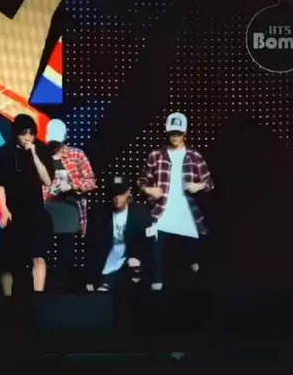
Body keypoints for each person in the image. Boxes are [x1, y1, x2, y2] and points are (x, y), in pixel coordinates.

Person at [137, 112, 214, 291]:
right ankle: (157, 282)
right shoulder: (156, 155)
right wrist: (148, 189)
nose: (175, 137)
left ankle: (198, 287)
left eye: (178, 133)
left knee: (193, 257)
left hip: (188, 211)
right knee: (156, 247)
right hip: (162, 209)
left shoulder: (194, 156)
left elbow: (210, 182)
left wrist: (199, 186)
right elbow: (142, 180)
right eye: (172, 133)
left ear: (185, 133)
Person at [0, 114, 55, 295]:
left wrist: (34, 155)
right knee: (7, 260)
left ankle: (38, 296)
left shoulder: (41, 149)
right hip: (12, 211)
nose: (27, 138)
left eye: (31, 133)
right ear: (16, 133)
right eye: (23, 133)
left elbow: (47, 181)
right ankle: (7, 299)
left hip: (35, 211)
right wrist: (4, 209)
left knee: (39, 256)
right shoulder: (4, 152)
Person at [42, 119, 97, 292]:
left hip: (70, 212)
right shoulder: (40, 156)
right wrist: (49, 189)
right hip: (46, 211)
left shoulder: (77, 155)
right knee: (43, 255)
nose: (54, 145)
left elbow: (91, 182)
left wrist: (72, 185)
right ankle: (45, 290)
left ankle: (66, 291)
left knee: (67, 257)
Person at [86, 175, 155, 292]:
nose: (117, 198)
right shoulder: (100, 214)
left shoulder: (140, 212)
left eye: (121, 194)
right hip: (109, 261)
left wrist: (137, 258)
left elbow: (148, 243)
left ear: (128, 192)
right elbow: (93, 248)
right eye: (114, 194)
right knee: (103, 290)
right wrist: (90, 277)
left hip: (131, 260)